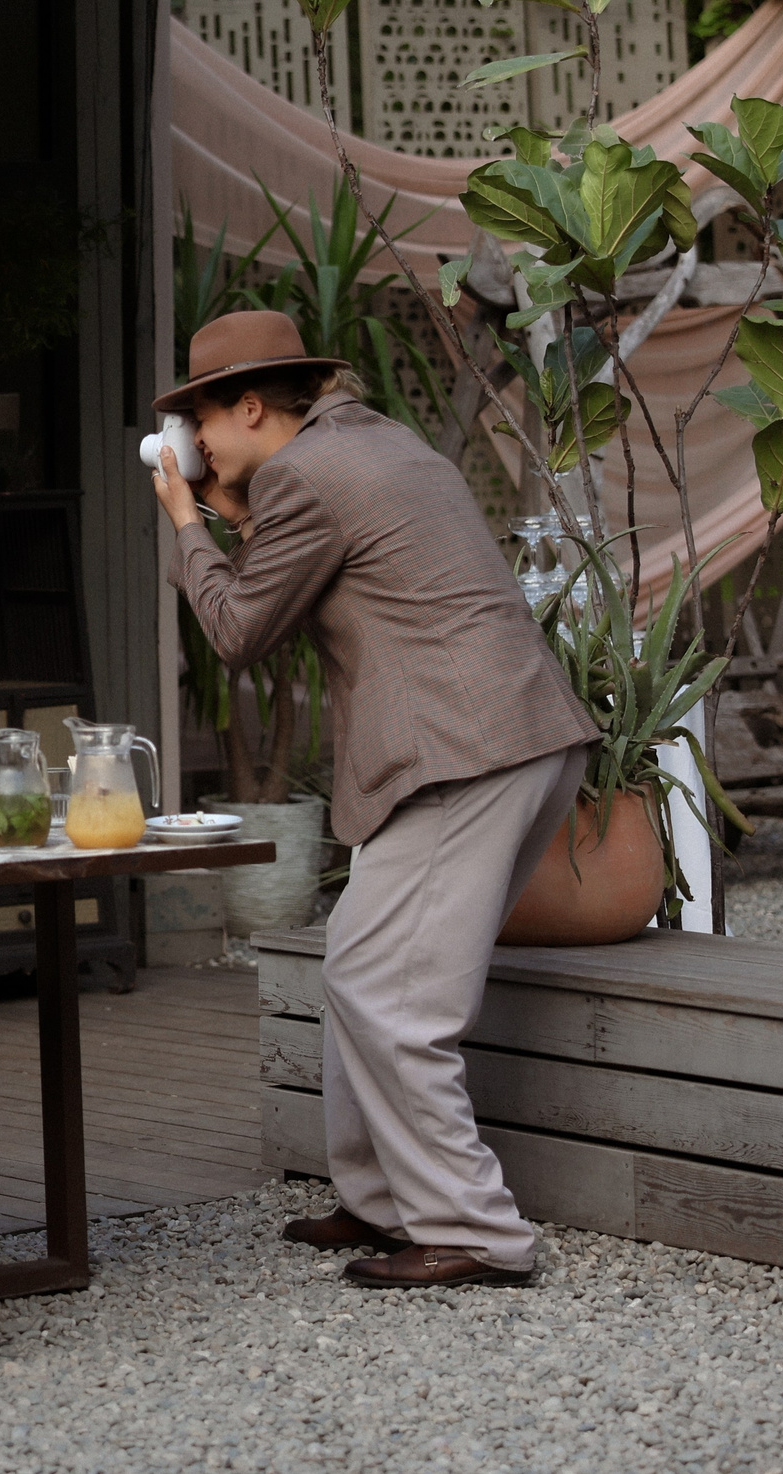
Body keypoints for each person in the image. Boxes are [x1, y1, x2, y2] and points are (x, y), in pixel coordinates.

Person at [150, 309, 596, 1288]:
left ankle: (474, 1229)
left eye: (204, 421)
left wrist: (185, 521)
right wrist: (236, 514)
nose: (199, 443)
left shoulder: (304, 475)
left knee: (397, 1000)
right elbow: (313, 555)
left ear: (253, 406)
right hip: (513, 736)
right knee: (358, 962)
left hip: (462, 751)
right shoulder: (368, 442)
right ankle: (384, 1198)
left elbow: (237, 630)